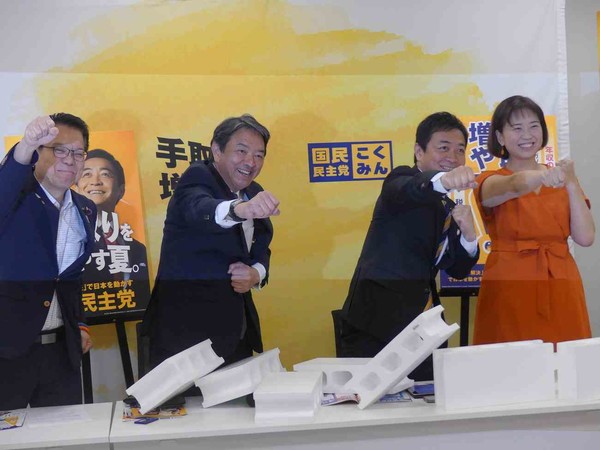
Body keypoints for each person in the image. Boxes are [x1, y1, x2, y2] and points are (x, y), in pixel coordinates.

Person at [339, 112, 480, 381]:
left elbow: (458, 269)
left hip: (424, 328)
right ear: (418, 151)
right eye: (443, 148)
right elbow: (412, 188)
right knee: (370, 401)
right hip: (376, 323)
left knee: (430, 397)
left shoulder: (449, 207)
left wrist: (469, 236)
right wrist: (444, 180)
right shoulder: (400, 180)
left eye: (460, 150)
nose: (453, 157)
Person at [142, 114, 280, 371]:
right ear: (217, 150)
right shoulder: (197, 176)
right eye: (241, 151)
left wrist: (256, 273)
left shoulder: (254, 190)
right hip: (186, 336)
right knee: (189, 399)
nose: (250, 162)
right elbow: (201, 208)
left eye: (259, 155)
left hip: (236, 331)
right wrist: (240, 209)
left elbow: (262, 245)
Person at [473, 95, 595, 346]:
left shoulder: (561, 179)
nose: (527, 135)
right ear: (500, 137)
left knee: (565, 358)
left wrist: (571, 182)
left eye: (533, 126)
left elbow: (586, 237)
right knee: (512, 359)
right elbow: (515, 184)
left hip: (561, 281)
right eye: (517, 128)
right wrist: (543, 176)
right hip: (510, 284)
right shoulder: (489, 180)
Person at [0, 114, 96, 409]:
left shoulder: (86, 209)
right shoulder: (14, 198)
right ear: (38, 152)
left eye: (77, 153)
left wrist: (79, 323)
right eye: (59, 149)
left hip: (61, 352)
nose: (69, 160)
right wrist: (25, 146)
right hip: (8, 352)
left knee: (63, 429)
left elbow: (70, 277)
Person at [76, 149, 151, 312]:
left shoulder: (138, 250)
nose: (95, 181)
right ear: (76, 189)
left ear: (121, 190)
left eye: (105, 174)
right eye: (86, 174)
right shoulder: (68, 243)